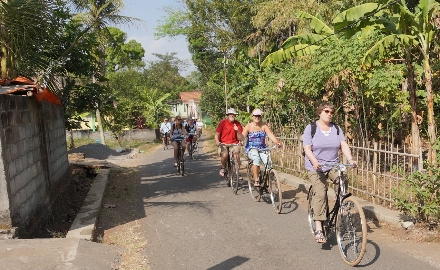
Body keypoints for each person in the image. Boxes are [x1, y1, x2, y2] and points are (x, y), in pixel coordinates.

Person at [303, 102, 357, 244]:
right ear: (320, 112)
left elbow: (343, 145)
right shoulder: (311, 128)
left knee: (343, 179)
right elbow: (307, 148)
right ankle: (319, 227)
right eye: (326, 111)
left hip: (332, 165)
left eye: (331, 112)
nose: (329, 114)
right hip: (316, 167)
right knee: (321, 192)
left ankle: (340, 205)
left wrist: (350, 159)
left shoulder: (337, 129)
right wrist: (314, 161)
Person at [241, 109, 280, 186]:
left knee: (268, 163)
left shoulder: (264, 126)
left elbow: (270, 135)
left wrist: (277, 142)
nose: (257, 117)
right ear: (252, 116)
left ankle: (267, 181)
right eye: (255, 116)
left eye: (259, 116)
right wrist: (237, 133)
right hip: (251, 148)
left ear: (261, 117)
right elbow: (242, 137)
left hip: (262, 148)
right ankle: (256, 180)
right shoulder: (248, 126)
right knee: (256, 158)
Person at [214, 108, 244, 177]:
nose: (232, 116)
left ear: (235, 115)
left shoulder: (237, 124)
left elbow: (241, 137)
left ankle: (237, 172)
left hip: (234, 143)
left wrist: (237, 131)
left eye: (233, 114)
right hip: (223, 143)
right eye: (230, 114)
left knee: (236, 155)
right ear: (228, 115)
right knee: (225, 154)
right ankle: (223, 167)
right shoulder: (223, 123)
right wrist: (217, 141)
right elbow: (217, 134)